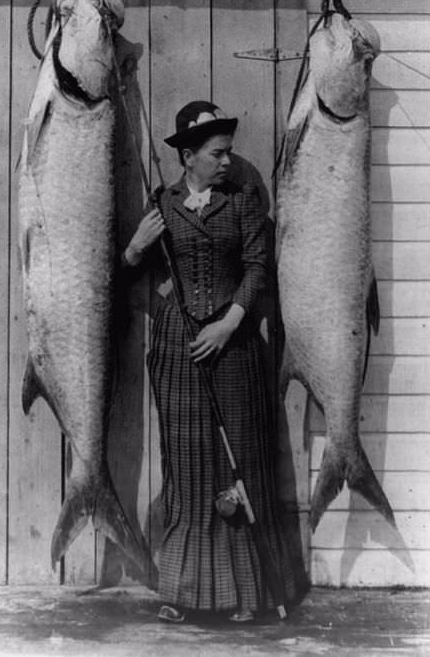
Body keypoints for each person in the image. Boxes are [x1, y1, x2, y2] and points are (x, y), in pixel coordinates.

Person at [122, 101, 293, 623]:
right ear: (188, 157)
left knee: (237, 461)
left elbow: (259, 268)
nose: (226, 162)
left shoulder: (241, 203)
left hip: (233, 344)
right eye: (217, 154)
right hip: (177, 349)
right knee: (189, 466)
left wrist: (229, 322)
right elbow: (127, 273)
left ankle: (249, 594)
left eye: (229, 153)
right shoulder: (161, 206)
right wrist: (135, 247)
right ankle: (180, 590)